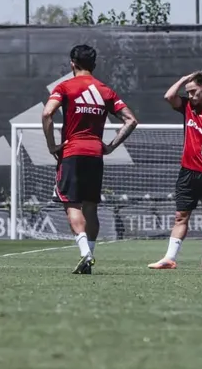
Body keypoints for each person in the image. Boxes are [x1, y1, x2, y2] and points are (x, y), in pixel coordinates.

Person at [42, 44, 138, 274]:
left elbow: (47, 113)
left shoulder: (65, 87)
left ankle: (85, 252)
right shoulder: (105, 90)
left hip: (72, 152)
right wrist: (110, 147)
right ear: (94, 65)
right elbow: (131, 120)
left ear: (72, 64)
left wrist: (51, 145)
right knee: (91, 207)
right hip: (95, 154)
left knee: (72, 204)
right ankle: (90, 255)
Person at [149, 72, 202, 270]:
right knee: (181, 215)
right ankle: (170, 258)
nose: (191, 95)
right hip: (187, 172)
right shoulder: (187, 106)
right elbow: (168, 96)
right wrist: (183, 79)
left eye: (194, 91)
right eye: (188, 92)